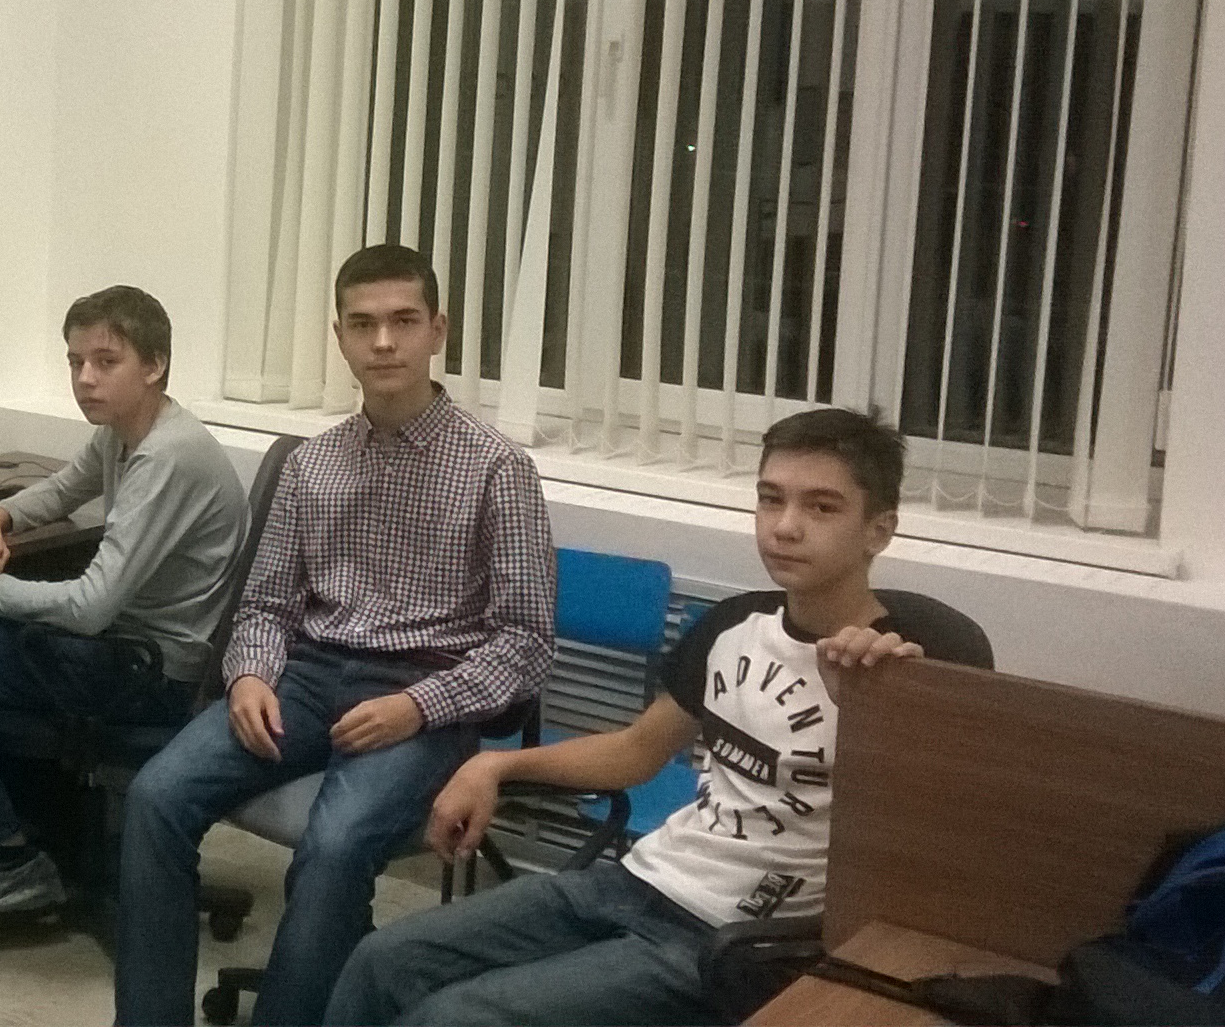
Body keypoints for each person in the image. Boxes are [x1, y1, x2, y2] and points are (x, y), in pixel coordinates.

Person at [323, 407, 997, 1027]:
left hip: (739, 938)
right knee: (384, 959)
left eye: (821, 506)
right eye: (771, 499)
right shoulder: (733, 624)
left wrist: (880, 712)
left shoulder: (908, 664)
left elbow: (943, 850)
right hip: (641, 879)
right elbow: (636, 752)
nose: (785, 526)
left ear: (879, 529)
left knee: (457, 1018)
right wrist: (495, 764)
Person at [115, 244, 557, 1027]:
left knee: (338, 841)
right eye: (362, 324)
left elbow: (524, 642)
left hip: (426, 695)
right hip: (308, 677)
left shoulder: (497, 469)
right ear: (340, 336)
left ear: (437, 331)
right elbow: (266, 606)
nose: (382, 342)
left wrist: (419, 706)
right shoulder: (312, 465)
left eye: (403, 321)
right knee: (157, 795)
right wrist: (250, 675)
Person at [0, 286, 250, 928]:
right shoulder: (128, 431)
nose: (85, 379)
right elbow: (61, 490)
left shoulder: (166, 456)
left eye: (105, 362)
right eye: (75, 362)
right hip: (131, 654)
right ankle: (17, 829)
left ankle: (3, 853)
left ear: (155, 364)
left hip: (147, 674)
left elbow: (87, 608)